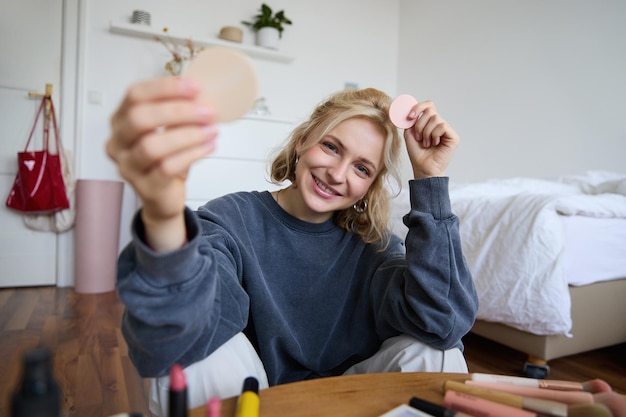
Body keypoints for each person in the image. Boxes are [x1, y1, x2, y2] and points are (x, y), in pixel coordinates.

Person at [106, 78, 479, 416]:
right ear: (303, 140)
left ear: (371, 185)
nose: (337, 174)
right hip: (255, 400)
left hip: (343, 402)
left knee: (438, 352)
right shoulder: (233, 217)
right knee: (193, 352)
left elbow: (443, 323)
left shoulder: (375, 246)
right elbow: (181, 323)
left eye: (362, 168)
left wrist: (430, 181)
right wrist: (164, 213)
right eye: (331, 147)